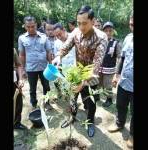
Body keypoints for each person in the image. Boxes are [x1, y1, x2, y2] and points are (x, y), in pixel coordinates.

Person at [52, 5, 108, 137]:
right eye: (79, 23)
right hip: (76, 73)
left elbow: (96, 65)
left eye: (85, 23)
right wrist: (58, 56)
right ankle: (72, 117)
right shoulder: (76, 32)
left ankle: (90, 123)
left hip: (91, 77)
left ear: (93, 21)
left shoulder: (102, 37)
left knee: (90, 101)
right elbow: (66, 46)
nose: (81, 27)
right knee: (72, 98)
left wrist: (83, 83)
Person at [108, 14, 133, 149]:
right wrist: (116, 75)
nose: (132, 28)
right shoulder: (128, 38)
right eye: (131, 24)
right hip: (124, 81)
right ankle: (119, 123)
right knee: (120, 105)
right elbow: (122, 58)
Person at [18, 16, 52, 110]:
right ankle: (34, 104)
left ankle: (47, 103)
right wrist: (23, 69)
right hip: (31, 68)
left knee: (46, 86)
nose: (30, 29)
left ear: (36, 25)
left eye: (32, 26)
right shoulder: (22, 38)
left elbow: (48, 51)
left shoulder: (44, 37)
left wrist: (50, 64)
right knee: (32, 88)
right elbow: (22, 55)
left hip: (44, 67)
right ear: (25, 26)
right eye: (28, 27)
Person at [98, 21, 121, 107]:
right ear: (103, 31)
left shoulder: (116, 43)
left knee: (108, 85)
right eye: (106, 30)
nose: (108, 33)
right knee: (100, 84)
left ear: (113, 31)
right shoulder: (100, 41)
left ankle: (109, 99)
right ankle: (99, 96)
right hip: (100, 68)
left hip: (110, 69)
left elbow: (119, 57)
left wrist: (117, 71)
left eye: (110, 31)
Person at [14, 48, 27, 129]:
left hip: (14, 79)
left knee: (18, 101)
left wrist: (21, 79)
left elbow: (18, 65)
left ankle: (17, 122)